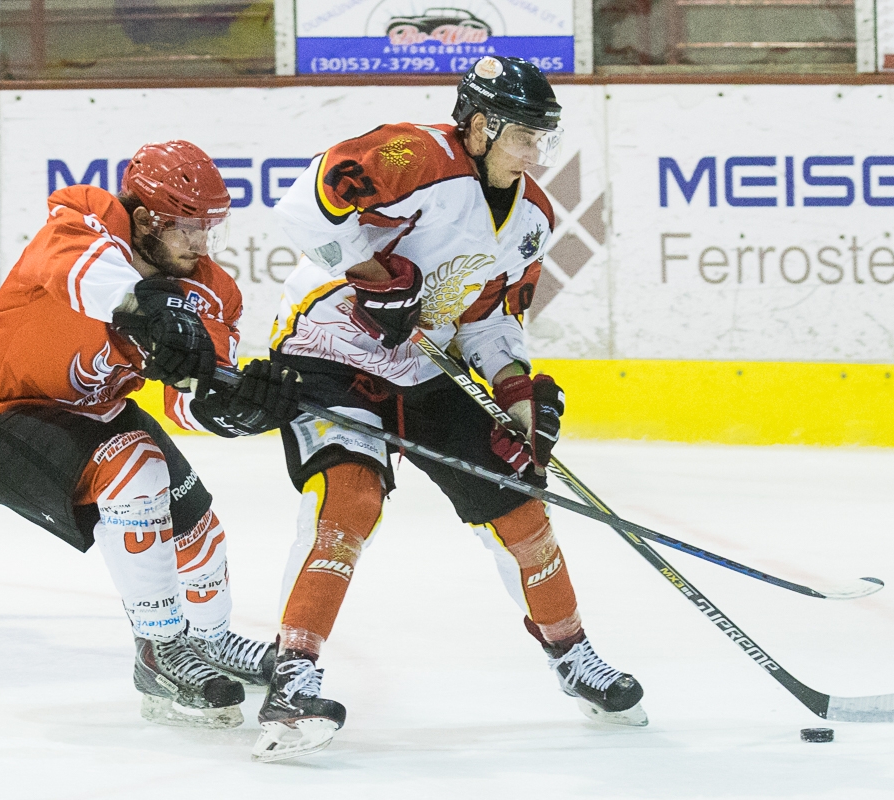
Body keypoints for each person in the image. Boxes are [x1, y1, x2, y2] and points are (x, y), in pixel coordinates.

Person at [257, 56, 644, 762]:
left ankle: (572, 654)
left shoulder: (532, 218)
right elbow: (301, 208)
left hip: (423, 367)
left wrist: (517, 394)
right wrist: (372, 275)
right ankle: (292, 677)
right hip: (328, 356)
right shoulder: (414, 155)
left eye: (543, 138)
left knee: (520, 505)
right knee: (349, 500)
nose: (535, 153)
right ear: (479, 125)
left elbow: (489, 322)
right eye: (523, 135)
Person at [0, 140, 301, 729]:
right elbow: (80, 273)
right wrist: (147, 307)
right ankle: (159, 649)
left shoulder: (211, 292)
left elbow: (188, 401)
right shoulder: (84, 219)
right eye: (187, 228)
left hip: (92, 410)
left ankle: (209, 641)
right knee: (136, 466)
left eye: (209, 228)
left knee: (195, 521)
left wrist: (236, 409)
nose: (200, 243)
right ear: (148, 219)